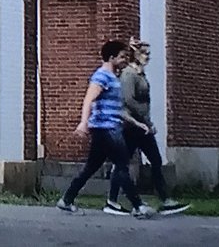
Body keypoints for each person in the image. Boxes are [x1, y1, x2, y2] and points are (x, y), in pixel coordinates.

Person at [55, 40, 156, 219]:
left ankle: (67, 200)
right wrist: (83, 122)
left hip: (111, 126)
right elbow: (88, 99)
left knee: (91, 167)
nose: (125, 60)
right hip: (105, 129)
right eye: (122, 57)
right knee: (122, 164)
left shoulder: (113, 78)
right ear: (111, 58)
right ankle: (138, 206)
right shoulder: (101, 76)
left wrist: (135, 122)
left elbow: (117, 108)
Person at [106, 37, 190, 215]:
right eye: (144, 53)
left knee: (156, 160)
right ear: (135, 54)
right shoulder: (129, 74)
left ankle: (166, 200)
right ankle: (112, 200)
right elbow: (128, 100)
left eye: (149, 53)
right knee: (122, 164)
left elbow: (145, 102)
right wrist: (144, 119)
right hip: (131, 126)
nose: (147, 57)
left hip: (142, 126)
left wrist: (148, 121)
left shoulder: (140, 74)